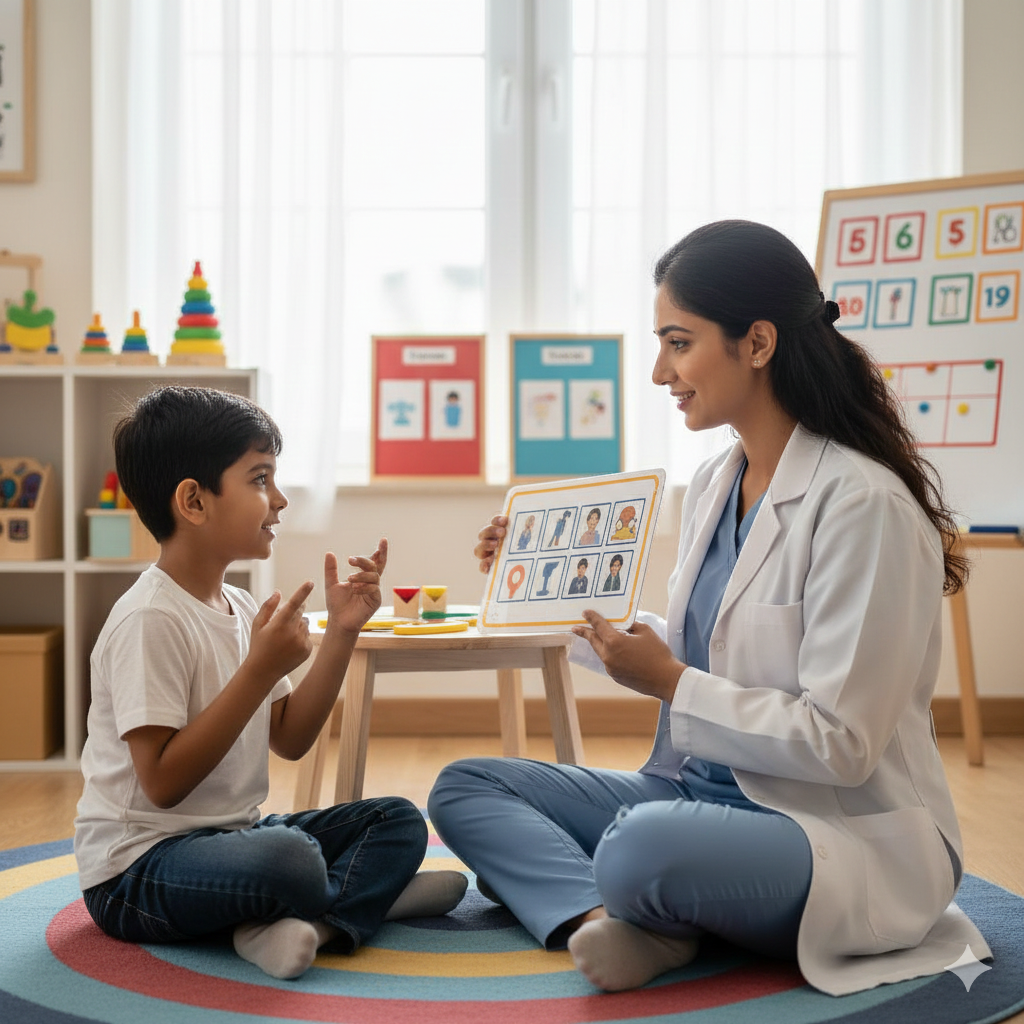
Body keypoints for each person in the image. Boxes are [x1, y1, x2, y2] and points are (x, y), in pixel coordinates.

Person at [428, 220, 989, 997]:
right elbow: (695, 649)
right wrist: (533, 580)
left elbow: (844, 744)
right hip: (695, 796)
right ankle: (602, 920)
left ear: (756, 343)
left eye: (678, 342)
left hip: (832, 831)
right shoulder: (716, 483)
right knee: (467, 787)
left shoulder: (864, 507)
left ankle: (635, 899)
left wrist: (672, 685)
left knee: (640, 847)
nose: (661, 371)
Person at [75, 386, 466, 982]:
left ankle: (312, 921)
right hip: (137, 872)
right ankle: (360, 898)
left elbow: (291, 737)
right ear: (194, 501)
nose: (279, 500)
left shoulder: (236, 602)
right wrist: (259, 669)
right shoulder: (149, 618)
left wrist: (341, 632)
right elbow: (161, 785)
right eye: (260, 479)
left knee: (397, 820)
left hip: (234, 839)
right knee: (288, 860)